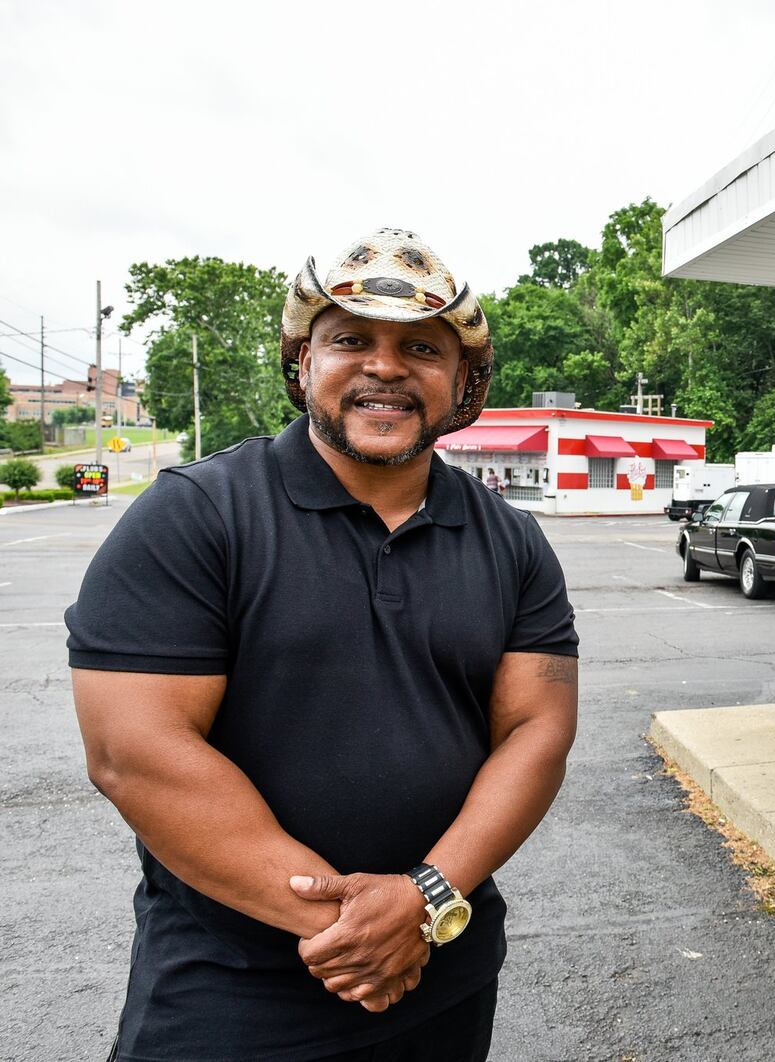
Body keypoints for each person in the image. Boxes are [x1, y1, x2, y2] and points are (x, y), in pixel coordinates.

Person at [67, 229, 579, 1061]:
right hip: (229, 996)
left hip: (444, 974)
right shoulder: (195, 517)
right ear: (304, 362)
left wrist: (424, 902)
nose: (384, 367)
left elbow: (537, 731)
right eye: (350, 340)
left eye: (420, 346)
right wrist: (359, 931)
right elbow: (136, 752)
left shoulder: (514, 542)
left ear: (461, 382)